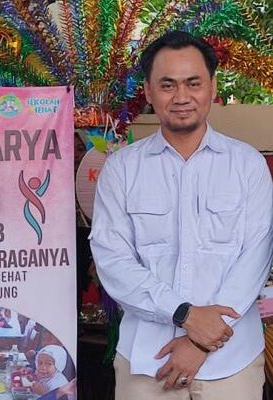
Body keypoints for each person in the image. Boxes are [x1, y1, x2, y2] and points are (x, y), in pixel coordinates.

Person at [90, 30, 273, 400]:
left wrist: (201, 342)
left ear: (212, 86)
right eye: (168, 85)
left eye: (193, 83)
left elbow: (256, 257)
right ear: (148, 91)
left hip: (232, 363)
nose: (182, 97)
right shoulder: (122, 169)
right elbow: (113, 259)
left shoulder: (247, 164)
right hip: (147, 362)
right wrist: (184, 314)